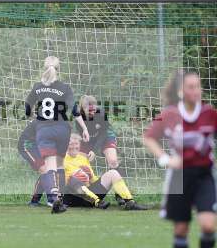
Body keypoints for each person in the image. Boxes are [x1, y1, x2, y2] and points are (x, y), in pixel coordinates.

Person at [143, 70, 217, 248]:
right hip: (179, 177)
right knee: (181, 228)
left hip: (204, 175)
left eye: (198, 86)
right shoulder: (169, 114)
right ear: (181, 91)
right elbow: (150, 138)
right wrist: (165, 159)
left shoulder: (209, 113)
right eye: (191, 87)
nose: (196, 91)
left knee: (208, 225)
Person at [25, 56, 89, 214]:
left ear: (44, 68)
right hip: (62, 129)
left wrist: (32, 115)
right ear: (58, 70)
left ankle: (53, 198)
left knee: (50, 166)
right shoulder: (65, 88)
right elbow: (74, 110)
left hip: (44, 130)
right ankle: (59, 197)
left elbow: (27, 108)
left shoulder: (37, 87)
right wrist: (84, 127)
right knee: (60, 164)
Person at [63, 134, 147, 210]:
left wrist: (90, 176)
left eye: (76, 144)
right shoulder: (61, 159)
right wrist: (76, 177)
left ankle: (130, 202)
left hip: (89, 195)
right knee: (73, 180)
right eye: (71, 144)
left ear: (79, 145)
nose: (74, 147)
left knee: (113, 173)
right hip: (73, 198)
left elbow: (92, 180)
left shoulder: (83, 158)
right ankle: (97, 202)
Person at [74, 95, 126, 206]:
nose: (92, 112)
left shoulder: (101, 113)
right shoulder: (78, 118)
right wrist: (86, 144)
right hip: (88, 139)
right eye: (89, 110)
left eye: (94, 109)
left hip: (105, 136)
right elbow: (82, 135)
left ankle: (120, 195)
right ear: (82, 109)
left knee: (113, 161)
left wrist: (94, 151)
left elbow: (103, 134)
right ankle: (85, 195)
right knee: (81, 163)